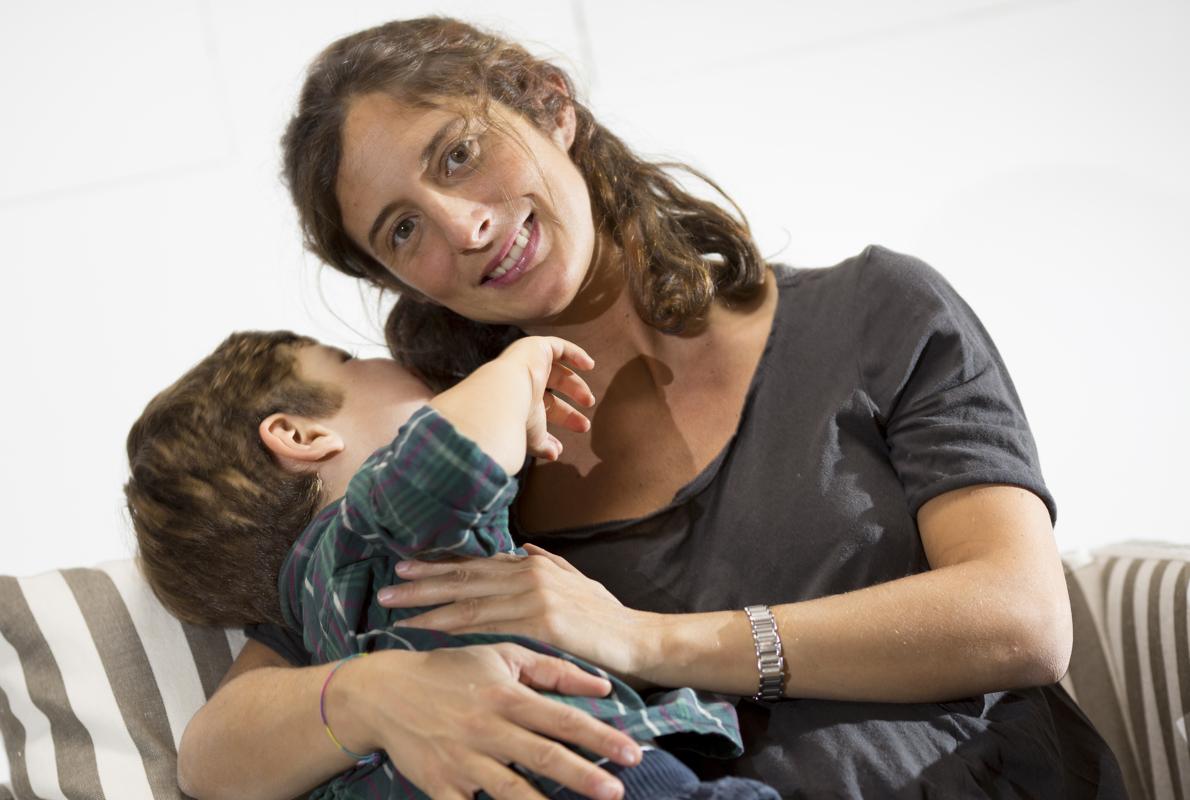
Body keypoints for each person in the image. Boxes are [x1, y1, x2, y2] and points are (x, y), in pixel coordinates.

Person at [178, 16, 1127, 800]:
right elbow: (217, 753)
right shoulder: (464, 464)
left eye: (459, 153)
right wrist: (381, 695)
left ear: (549, 104)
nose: (463, 227)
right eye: (403, 230)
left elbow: (1020, 619)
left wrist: (646, 638)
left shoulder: (875, 312)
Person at [126, 330, 778, 799]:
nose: (382, 359)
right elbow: (450, 452)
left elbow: (212, 761)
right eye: (347, 361)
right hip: (598, 778)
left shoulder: (311, 624)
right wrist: (521, 364)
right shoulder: (381, 522)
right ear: (299, 436)